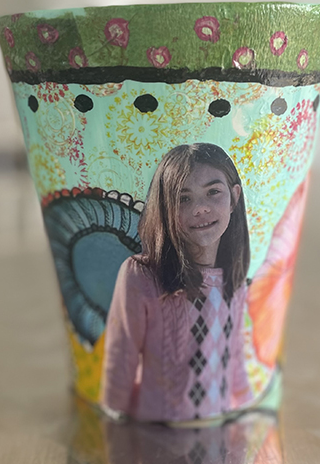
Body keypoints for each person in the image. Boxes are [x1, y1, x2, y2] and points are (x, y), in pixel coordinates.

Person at [101, 143, 253, 422]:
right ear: (165, 208)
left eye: (213, 192)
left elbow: (234, 354)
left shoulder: (236, 280)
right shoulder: (141, 275)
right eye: (184, 199)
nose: (200, 208)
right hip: (159, 430)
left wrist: (246, 408)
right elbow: (122, 351)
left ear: (234, 198)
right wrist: (114, 420)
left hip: (215, 430)